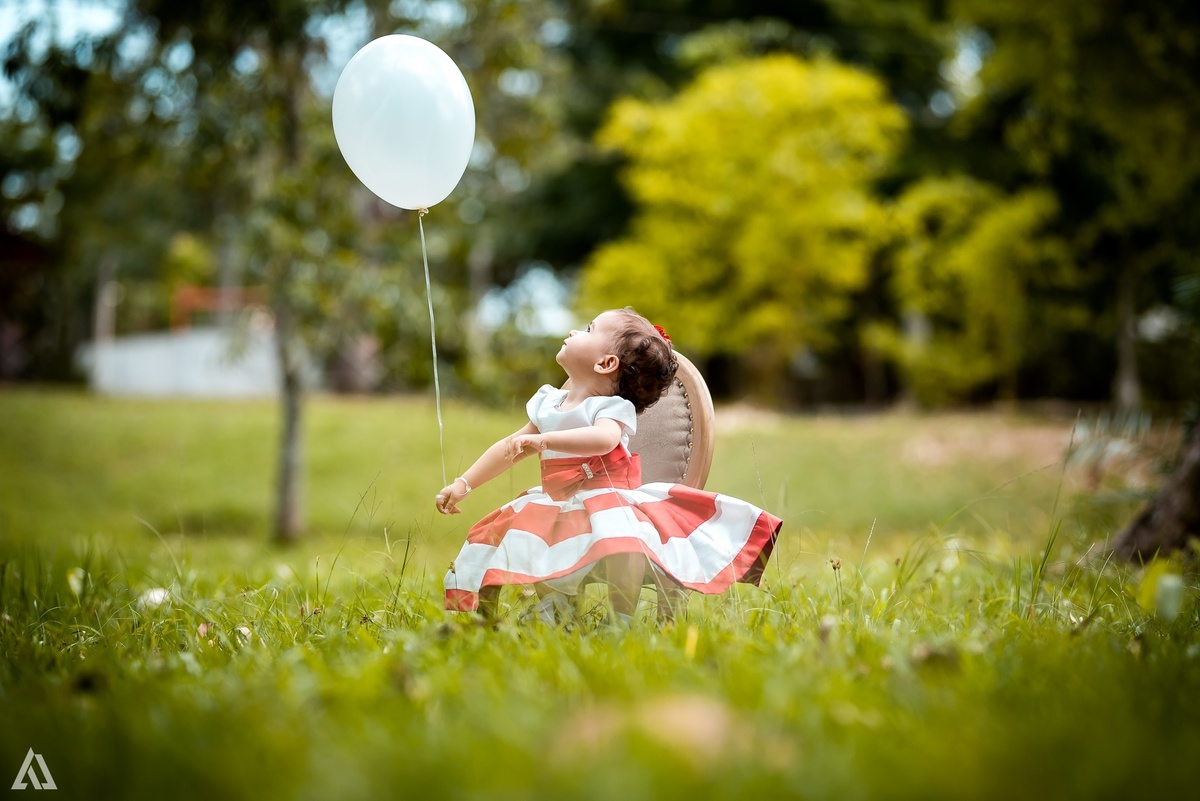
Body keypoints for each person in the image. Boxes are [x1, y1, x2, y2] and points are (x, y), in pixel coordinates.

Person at [436, 307, 782, 624]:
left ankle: (622, 615)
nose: (574, 331)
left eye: (588, 329)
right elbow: (507, 449)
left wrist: (546, 441)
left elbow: (605, 439)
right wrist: (463, 484)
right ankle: (556, 606)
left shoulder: (611, 408)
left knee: (622, 540)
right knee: (531, 533)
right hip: (558, 501)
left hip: (607, 499)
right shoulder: (548, 402)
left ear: (605, 363)